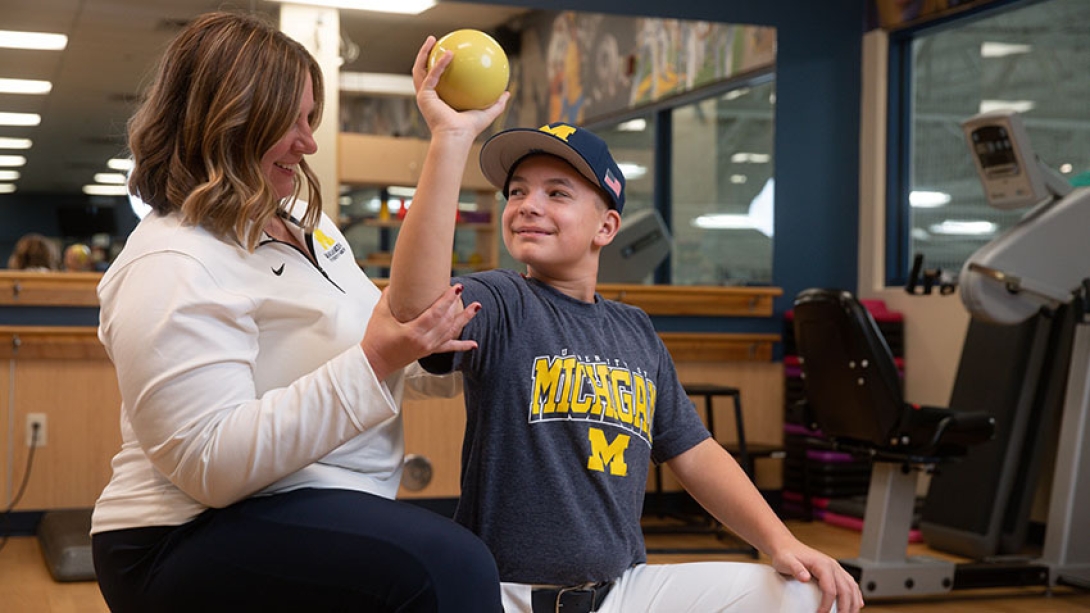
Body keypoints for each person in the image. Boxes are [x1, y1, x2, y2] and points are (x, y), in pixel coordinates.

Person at [383, 37, 866, 613]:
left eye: (556, 193)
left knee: (808, 594)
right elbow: (414, 308)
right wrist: (450, 138)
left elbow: (694, 452)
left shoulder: (634, 330)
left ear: (606, 227)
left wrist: (780, 541)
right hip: (508, 594)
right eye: (517, 192)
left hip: (623, 592)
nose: (527, 205)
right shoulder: (503, 300)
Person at [90, 12, 503, 613]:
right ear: (229, 119)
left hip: (317, 502)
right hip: (178, 533)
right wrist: (382, 356)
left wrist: (433, 356)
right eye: (291, 121)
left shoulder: (307, 223)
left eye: (311, 118)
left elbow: (372, 345)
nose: (309, 142)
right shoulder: (170, 261)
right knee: (448, 567)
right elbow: (209, 463)